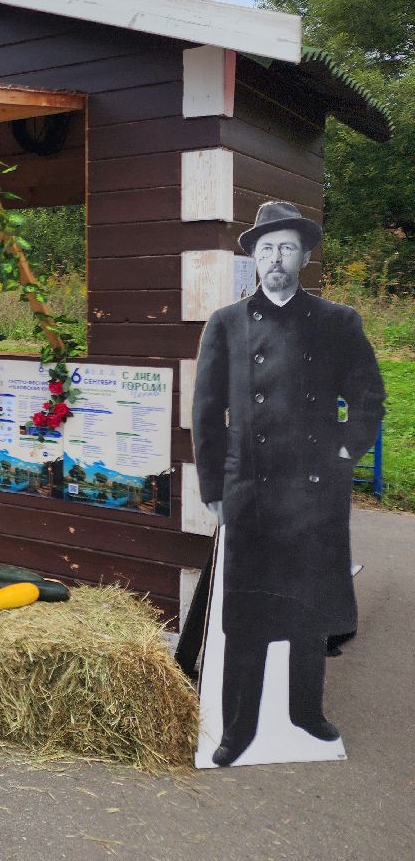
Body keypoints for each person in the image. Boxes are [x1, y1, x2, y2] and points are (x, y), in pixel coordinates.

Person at [192, 201, 385, 767]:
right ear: (254, 257)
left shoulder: (336, 321)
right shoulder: (226, 323)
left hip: (314, 488)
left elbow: (369, 394)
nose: (276, 259)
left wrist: (347, 448)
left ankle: (305, 712)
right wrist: (212, 485)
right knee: (247, 611)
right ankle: (238, 728)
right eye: (267, 249)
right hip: (248, 486)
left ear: (304, 258)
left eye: (288, 249)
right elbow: (206, 412)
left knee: (309, 604)